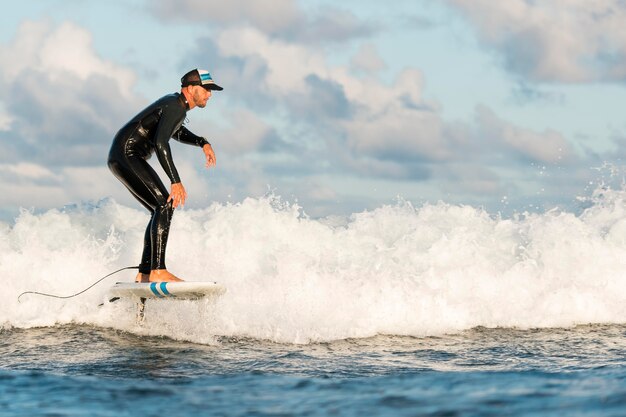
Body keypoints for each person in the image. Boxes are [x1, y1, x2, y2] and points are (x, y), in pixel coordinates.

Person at [108, 68, 222, 283]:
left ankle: (144, 273)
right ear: (190, 89)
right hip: (127, 155)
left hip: (122, 156)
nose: (210, 94)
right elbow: (161, 143)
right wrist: (175, 181)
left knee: (158, 208)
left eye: (211, 90)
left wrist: (202, 142)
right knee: (164, 205)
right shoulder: (175, 107)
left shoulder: (174, 106)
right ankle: (158, 270)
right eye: (206, 89)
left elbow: (174, 131)